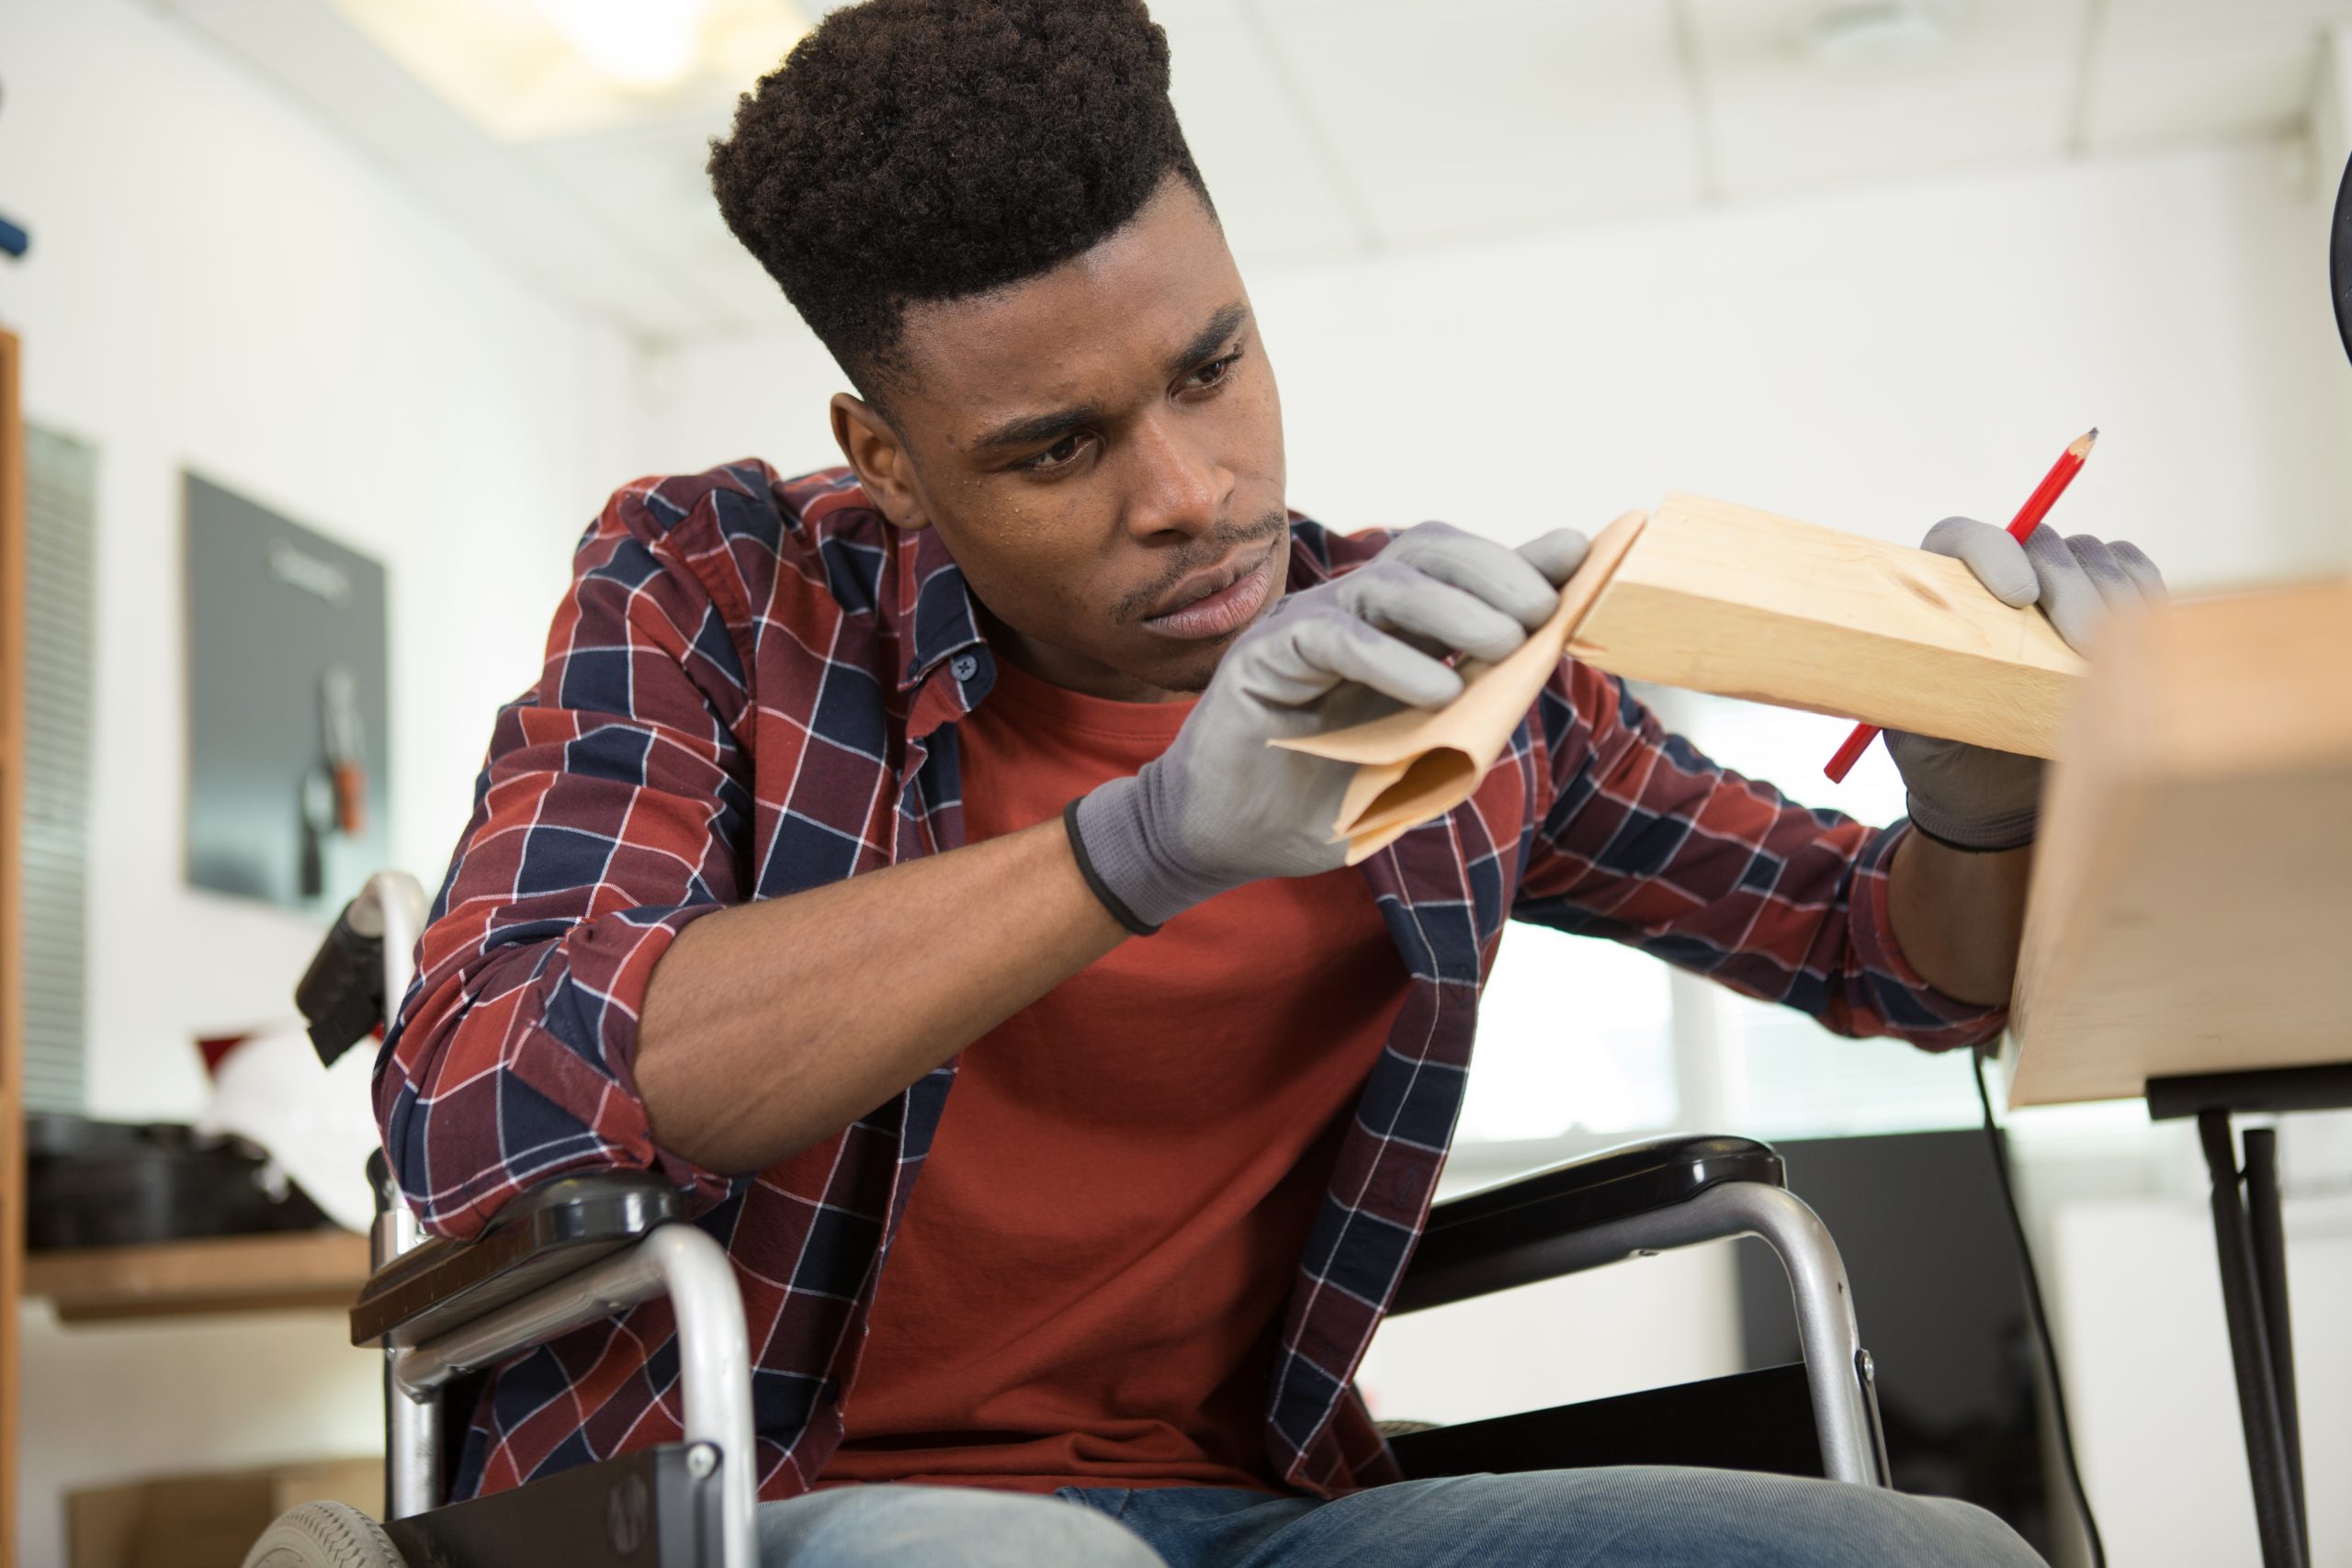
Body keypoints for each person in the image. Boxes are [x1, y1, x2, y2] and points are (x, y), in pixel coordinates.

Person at [378, 2, 2164, 1562]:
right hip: (777, 1498)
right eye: (1055, 445)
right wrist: (1136, 844)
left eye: (1210, 365)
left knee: (1929, 1548)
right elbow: (480, 1098)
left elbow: (1878, 948)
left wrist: (1978, 801)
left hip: (1259, 1511)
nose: (1186, 489)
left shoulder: (1444, 669)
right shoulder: (717, 585)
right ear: (890, 460)